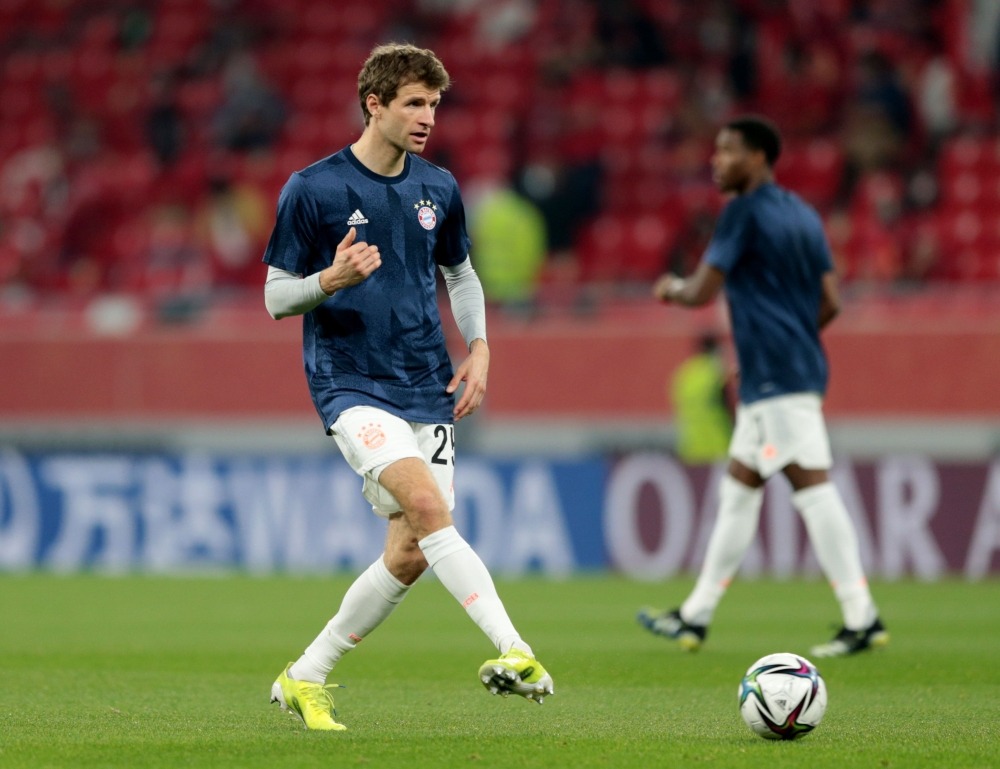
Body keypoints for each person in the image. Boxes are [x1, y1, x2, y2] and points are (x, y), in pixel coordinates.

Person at [260, 43, 553, 731]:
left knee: (412, 549)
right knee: (425, 503)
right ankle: (517, 651)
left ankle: (305, 676)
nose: (428, 117)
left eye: (434, 104)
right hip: (351, 381)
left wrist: (480, 348)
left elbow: (462, 274)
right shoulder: (314, 189)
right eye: (415, 103)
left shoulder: (439, 188)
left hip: (427, 380)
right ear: (375, 104)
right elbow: (276, 298)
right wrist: (328, 281)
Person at [638, 115, 888, 659]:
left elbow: (703, 290)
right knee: (739, 491)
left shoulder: (742, 213)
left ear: (756, 158)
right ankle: (696, 614)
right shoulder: (803, 215)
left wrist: (671, 288)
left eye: (726, 152)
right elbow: (832, 302)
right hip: (785, 371)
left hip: (775, 376)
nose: (716, 162)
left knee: (813, 488)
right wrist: (794, 339)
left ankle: (862, 616)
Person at [670, 332, 733, 465]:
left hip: (691, 447)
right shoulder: (716, 373)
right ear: (716, 351)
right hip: (718, 445)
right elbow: (728, 405)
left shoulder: (685, 375)